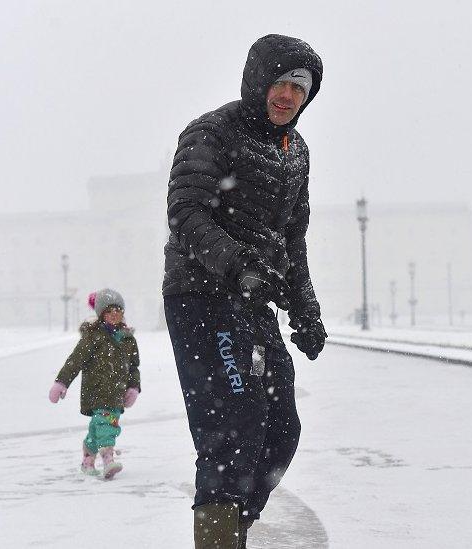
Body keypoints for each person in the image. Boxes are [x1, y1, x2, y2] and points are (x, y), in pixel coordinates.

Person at [163, 34, 327, 548]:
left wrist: (305, 310)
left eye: (299, 88)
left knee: (280, 431)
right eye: (279, 83)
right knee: (232, 429)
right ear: (258, 81)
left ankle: (231, 528)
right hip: (202, 295)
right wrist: (239, 266)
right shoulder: (212, 133)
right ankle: (219, 539)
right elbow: (186, 214)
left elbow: (291, 239)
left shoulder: (295, 152)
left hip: (255, 301)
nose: (287, 96)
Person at [48, 288, 141, 480]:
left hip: (117, 393)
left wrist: (133, 387)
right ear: (101, 314)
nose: (114, 314)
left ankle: (87, 461)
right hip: (97, 391)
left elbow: (134, 367)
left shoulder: (128, 339)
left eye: (118, 310)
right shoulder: (93, 336)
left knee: (97, 427)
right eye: (109, 311)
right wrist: (61, 382)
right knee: (107, 425)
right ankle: (108, 460)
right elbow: (75, 360)